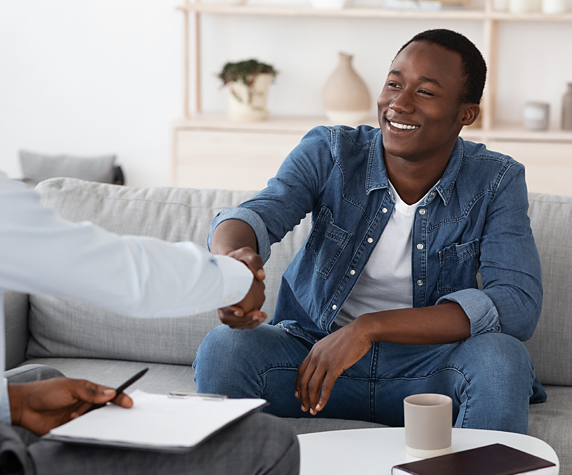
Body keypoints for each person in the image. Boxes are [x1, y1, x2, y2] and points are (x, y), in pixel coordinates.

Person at [0, 0, 299, 474]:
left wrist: (8, 402)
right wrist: (236, 277)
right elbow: (124, 275)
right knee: (268, 442)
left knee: (42, 380)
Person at [194, 29, 546, 435]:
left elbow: (516, 305)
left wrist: (369, 327)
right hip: (313, 362)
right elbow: (256, 215)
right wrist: (232, 263)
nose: (399, 103)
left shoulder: (496, 180)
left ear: (465, 114)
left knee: (503, 358)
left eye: (425, 92)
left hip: (428, 371)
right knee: (224, 347)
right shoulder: (331, 152)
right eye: (394, 84)